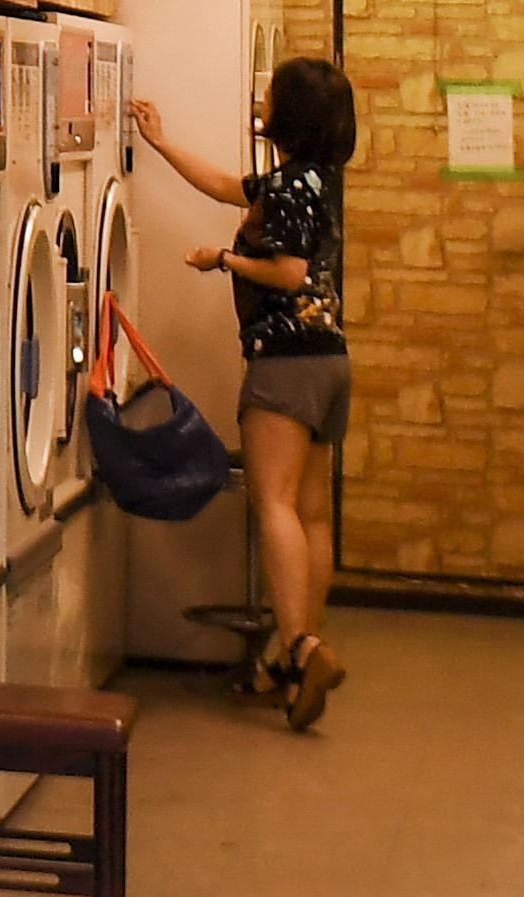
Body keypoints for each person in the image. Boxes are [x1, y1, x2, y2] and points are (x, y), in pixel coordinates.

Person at [132, 54, 359, 731]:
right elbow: (230, 185)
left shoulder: (291, 187)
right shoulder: (316, 179)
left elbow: (288, 273)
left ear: (287, 113)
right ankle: (289, 667)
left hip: (284, 361)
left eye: (270, 94)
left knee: (275, 506)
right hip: (328, 359)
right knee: (313, 512)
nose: (261, 99)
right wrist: (161, 139)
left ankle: (300, 647)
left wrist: (222, 260)